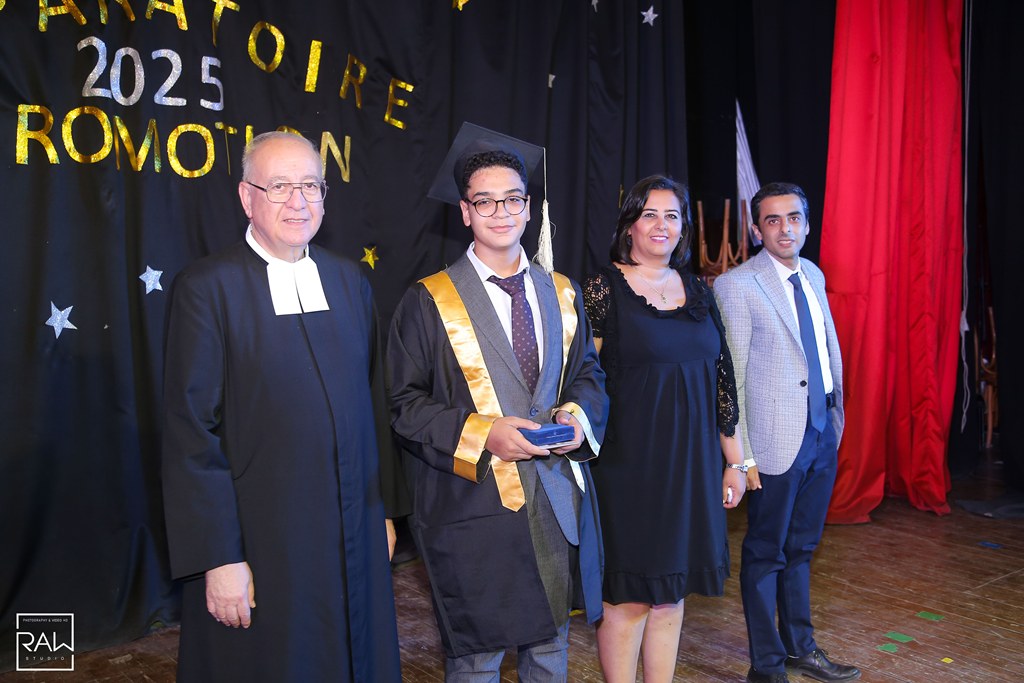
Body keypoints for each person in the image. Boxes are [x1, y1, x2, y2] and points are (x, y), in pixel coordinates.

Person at [161, 131, 407, 682]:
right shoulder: (207, 288)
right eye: (279, 187)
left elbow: (375, 403)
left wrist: (385, 512)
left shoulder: (349, 280)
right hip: (263, 542)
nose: (298, 202)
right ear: (246, 198)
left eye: (310, 186)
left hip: (354, 532)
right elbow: (191, 433)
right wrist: (218, 557)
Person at [387, 123, 608, 682]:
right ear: (465, 212)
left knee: (550, 650)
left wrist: (575, 416)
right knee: (477, 661)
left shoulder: (562, 292)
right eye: (485, 201)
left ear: (529, 208)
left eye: (513, 199)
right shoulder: (428, 300)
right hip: (472, 506)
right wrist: (485, 433)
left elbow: (587, 371)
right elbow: (403, 404)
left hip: (554, 499)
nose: (501, 212)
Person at [582, 175, 746, 682]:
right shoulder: (602, 289)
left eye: (671, 215)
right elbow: (582, 379)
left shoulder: (698, 290)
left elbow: (723, 379)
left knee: (671, 597)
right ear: (629, 225)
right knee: (629, 598)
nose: (661, 225)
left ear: (682, 228)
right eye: (648, 213)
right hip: (629, 468)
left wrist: (736, 461)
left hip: (693, 467)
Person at [714, 182, 859, 683]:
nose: (784, 228)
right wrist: (743, 456)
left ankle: (801, 648)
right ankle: (767, 666)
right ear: (756, 230)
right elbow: (730, 378)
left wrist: (833, 421)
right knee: (765, 553)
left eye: (793, 218)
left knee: (802, 549)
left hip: (821, 433)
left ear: (807, 224)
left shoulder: (813, 274)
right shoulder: (736, 285)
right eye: (772, 220)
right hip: (774, 444)